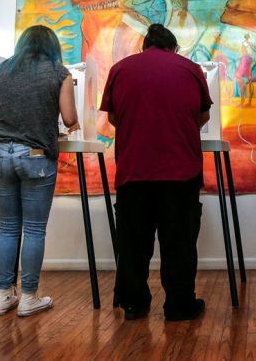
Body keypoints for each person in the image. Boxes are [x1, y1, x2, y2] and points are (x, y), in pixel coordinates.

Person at [101, 24, 211, 321]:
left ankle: (134, 304)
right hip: (180, 171)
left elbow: (113, 116)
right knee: (179, 243)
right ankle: (179, 305)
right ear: (173, 47)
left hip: (134, 170)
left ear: (144, 46)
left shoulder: (121, 69)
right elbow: (204, 114)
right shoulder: (190, 69)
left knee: (134, 243)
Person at [0, 25, 79, 317]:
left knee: (8, 227)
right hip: (35, 155)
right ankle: (28, 297)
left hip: (0, 154)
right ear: (52, 46)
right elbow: (69, 117)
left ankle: (2, 296)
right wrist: (66, 125)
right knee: (34, 229)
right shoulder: (59, 72)